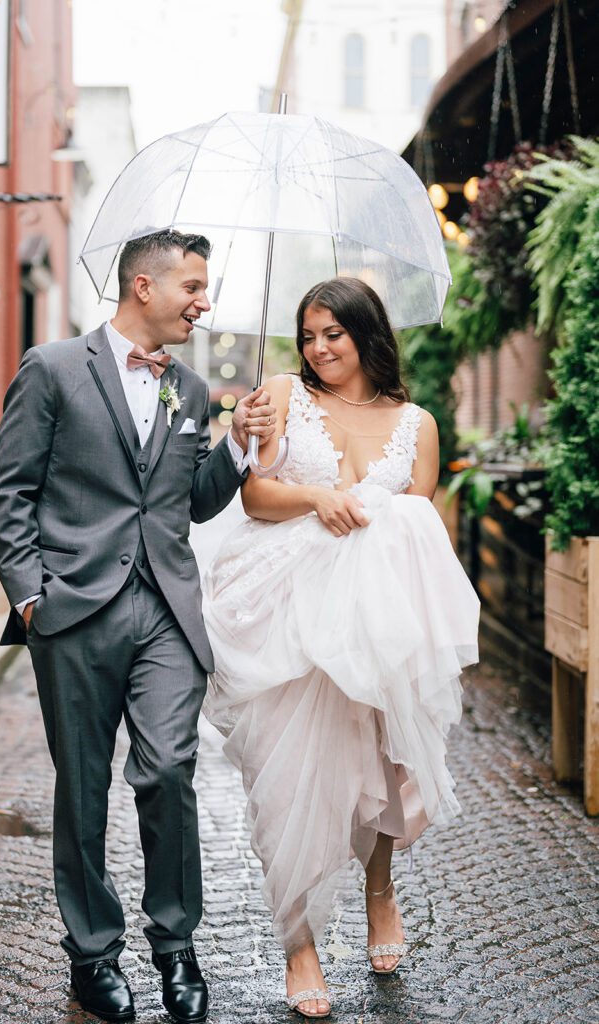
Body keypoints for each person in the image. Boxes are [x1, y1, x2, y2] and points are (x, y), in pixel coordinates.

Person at [0, 229, 276, 1024]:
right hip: (73, 609)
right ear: (143, 287)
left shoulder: (187, 384)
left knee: (167, 770)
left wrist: (239, 447)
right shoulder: (52, 368)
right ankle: (92, 956)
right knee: (82, 788)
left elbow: (191, 499)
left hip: (165, 614)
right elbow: (11, 489)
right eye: (192, 286)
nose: (204, 301)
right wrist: (29, 595)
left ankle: (176, 947)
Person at [202, 278, 479, 1019]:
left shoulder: (416, 423)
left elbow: (419, 532)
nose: (319, 349)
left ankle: (379, 891)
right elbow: (257, 496)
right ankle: (299, 942)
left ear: (366, 334)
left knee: (385, 766)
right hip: (291, 614)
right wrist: (317, 496)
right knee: (292, 775)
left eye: (334, 334)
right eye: (309, 336)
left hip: (377, 620)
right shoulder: (283, 396)